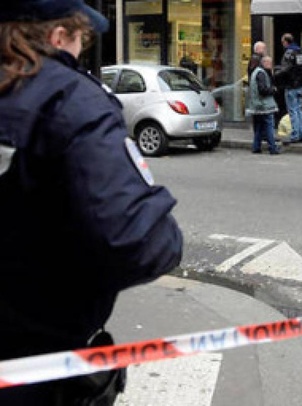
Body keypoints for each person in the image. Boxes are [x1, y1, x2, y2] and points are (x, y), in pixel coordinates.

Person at [0, 1, 183, 404]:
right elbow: (136, 240)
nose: (80, 51)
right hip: (37, 358)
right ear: (57, 35)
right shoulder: (69, 99)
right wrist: (167, 235)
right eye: (81, 39)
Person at [275, 33, 302, 144]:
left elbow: (286, 69)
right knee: (299, 109)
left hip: (291, 85)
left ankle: (295, 135)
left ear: (285, 42)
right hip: (300, 85)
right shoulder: (299, 52)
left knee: (292, 110)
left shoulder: (289, 53)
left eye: (283, 42)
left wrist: (276, 73)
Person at [247, 56, 281, 155]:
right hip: (265, 106)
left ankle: (256, 147)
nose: (271, 65)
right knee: (269, 127)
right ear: (264, 63)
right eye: (270, 63)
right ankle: (272, 148)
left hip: (256, 106)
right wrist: (273, 90)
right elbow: (262, 90)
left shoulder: (254, 72)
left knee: (259, 127)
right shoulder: (261, 73)